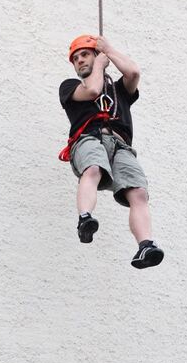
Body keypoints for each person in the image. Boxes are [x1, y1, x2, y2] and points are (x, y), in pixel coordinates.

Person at [59, 34, 164, 269]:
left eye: (85, 54)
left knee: (138, 192)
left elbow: (134, 73)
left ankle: (145, 244)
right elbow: (93, 90)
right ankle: (85, 217)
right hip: (89, 139)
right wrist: (99, 63)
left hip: (121, 146)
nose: (80, 61)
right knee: (93, 168)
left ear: (96, 55)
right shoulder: (69, 88)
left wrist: (109, 50)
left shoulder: (119, 90)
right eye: (76, 58)